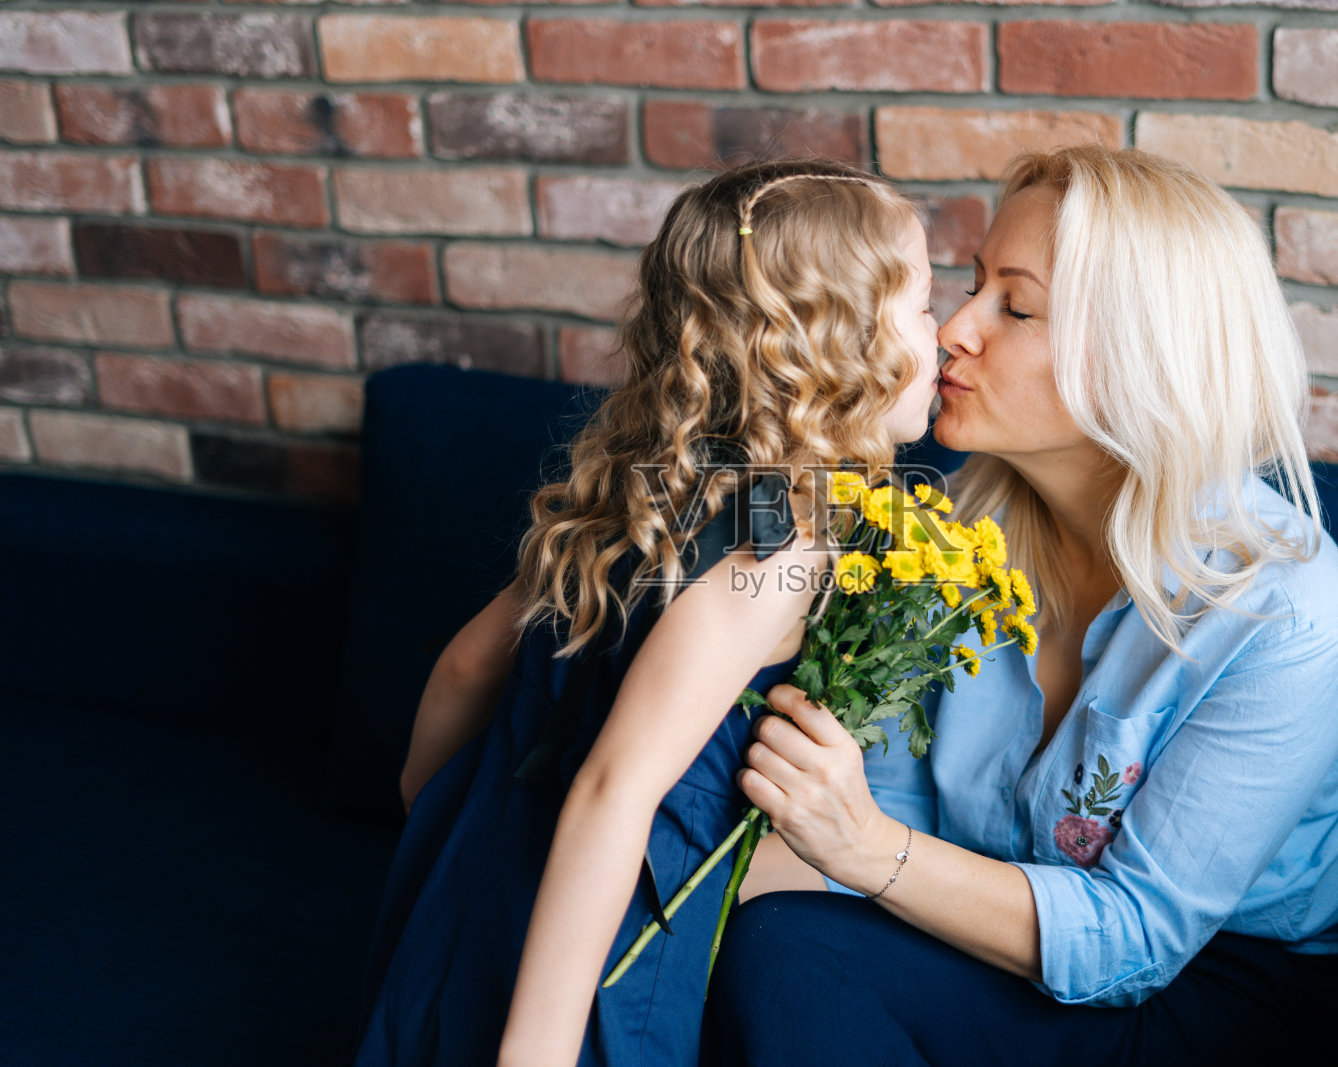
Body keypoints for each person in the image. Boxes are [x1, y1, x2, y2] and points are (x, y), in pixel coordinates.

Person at [700, 146, 1338, 1067]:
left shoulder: (1288, 615)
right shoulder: (949, 533)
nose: (953, 329)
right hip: (987, 930)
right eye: (970, 285)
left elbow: (1137, 940)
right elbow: (883, 816)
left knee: (788, 953)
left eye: (1017, 305)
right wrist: (666, 888)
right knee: (739, 937)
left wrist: (866, 850)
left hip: (1237, 987)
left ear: (1140, 355)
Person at [350, 157, 940, 1067]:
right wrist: (538, 1049)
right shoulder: (779, 545)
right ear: (841, 341)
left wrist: (431, 812)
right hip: (593, 942)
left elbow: (470, 664)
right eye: (927, 308)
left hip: (480, 872)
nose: (944, 338)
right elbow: (615, 787)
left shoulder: (648, 485)